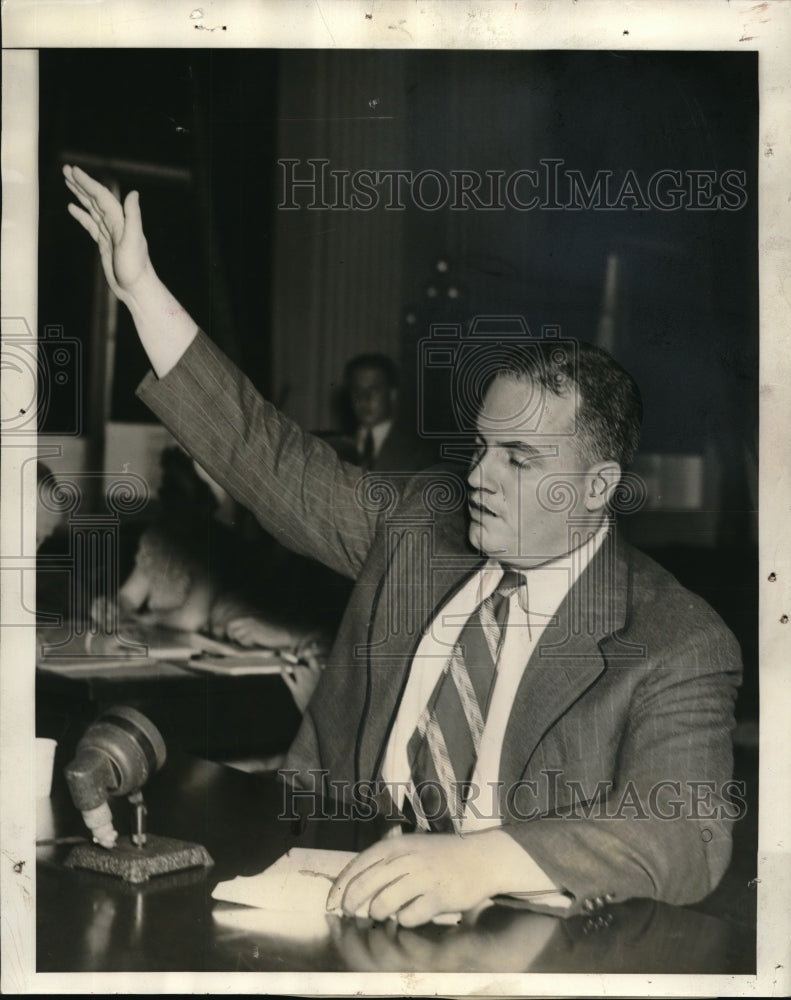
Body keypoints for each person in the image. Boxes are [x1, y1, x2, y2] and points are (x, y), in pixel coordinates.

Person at [63, 164, 742, 928]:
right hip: (317, 881)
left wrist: (478, 860)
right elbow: (266, 456)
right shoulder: (424, 522)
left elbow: (685, 832)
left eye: (519, 459)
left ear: (596, 487)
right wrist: (141, 288)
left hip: (511, 935)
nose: (480, 476)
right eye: (482, 446)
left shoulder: (675, 640)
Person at [334, 353, 434, 472]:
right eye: (357, 390)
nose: (364, 398)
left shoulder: (419, 451)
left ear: (392, 394)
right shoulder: (335, 450)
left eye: (374, 390)